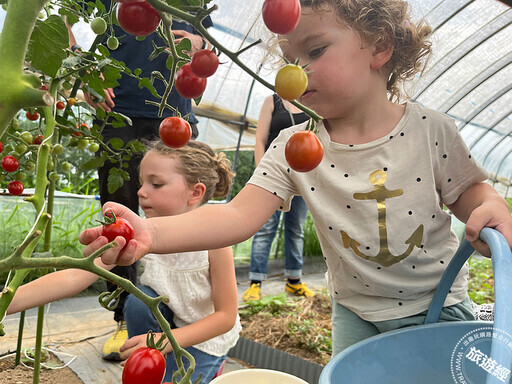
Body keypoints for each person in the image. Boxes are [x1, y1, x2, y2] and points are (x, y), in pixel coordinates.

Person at [79, 0, 512, 358]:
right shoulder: (292, 145)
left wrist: (490, 206)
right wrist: (150, 230)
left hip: (438, 307)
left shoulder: (430, 130)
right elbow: (236, 217)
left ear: (379, 46)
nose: (295, 73)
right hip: (354, 313)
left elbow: (471, 193)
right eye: (289, 60)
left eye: (316, 51)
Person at [5, 140, 241, 383]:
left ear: (195, 193)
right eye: (141, 183)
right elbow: (77, 275)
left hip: (206, 338)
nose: (140, 192)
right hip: (166, 320)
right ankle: (151, 355)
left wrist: (169, 341)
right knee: (139, 301)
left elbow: (225, 316)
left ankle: (210, 365)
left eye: (156, 184)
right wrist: (4, 301)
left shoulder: (216, 241)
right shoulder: (138, 233)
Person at [67, 3, 213, 360]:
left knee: (184, 219)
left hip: (176, 115)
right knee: (117, 220)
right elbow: (66, 11)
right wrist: (85, 70)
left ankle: (186, 312)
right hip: (119, 113)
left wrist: (195, 42)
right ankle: (124, 318)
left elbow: (207, 41)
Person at [242, 94, 313, 302]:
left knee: (296, 229)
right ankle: (255, 284)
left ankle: (294, 282)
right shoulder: (273, 101)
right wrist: (261, 173)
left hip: (303, 179)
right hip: (274, 175)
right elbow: (260, 139)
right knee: (265, 228)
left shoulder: (312, 103)